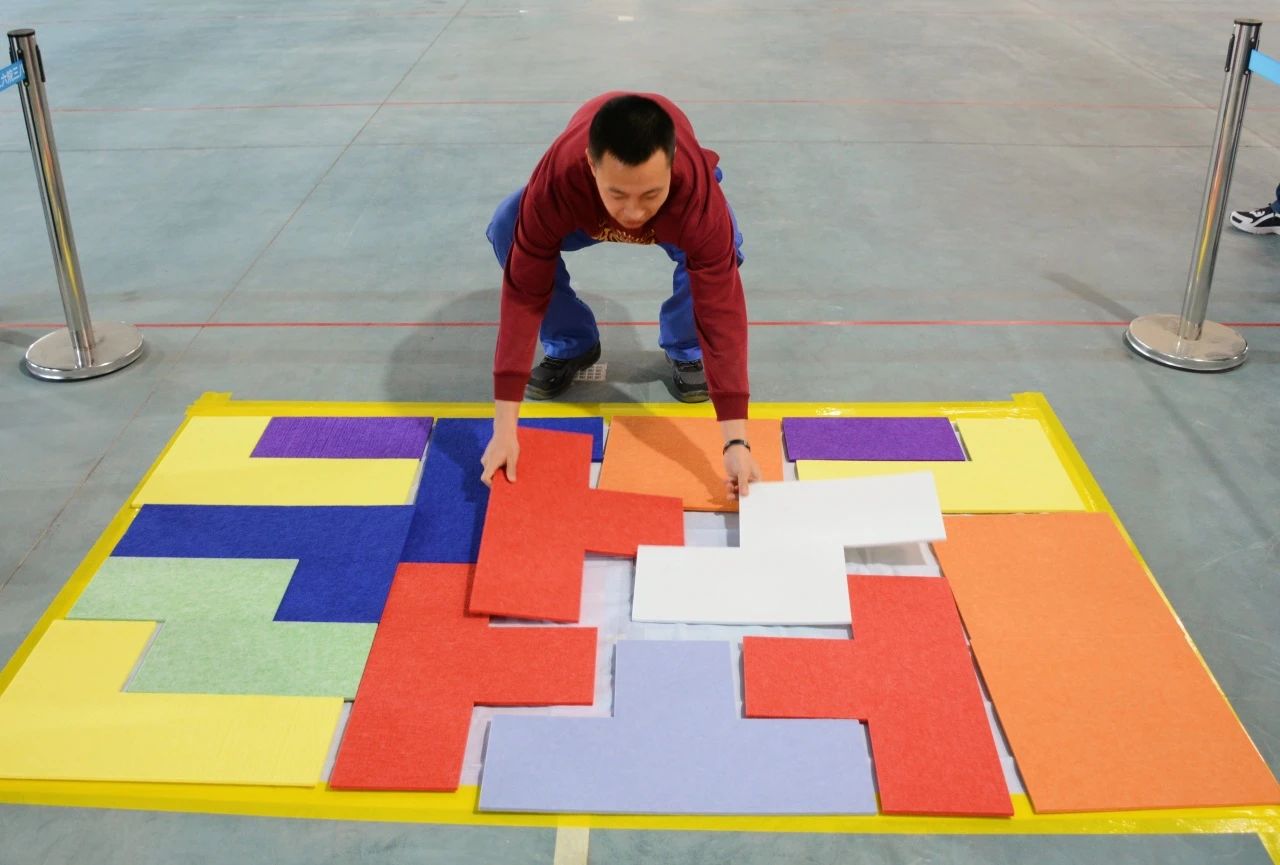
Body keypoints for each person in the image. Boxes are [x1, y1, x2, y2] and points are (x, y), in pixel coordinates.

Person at [479, 92, 761, 499]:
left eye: (649, 195)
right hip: (581, 206)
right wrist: (504, 430)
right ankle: (572, 343)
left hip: (677, 213)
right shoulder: (557, 184)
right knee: (508, 227)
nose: (633, 215)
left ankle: (685, 349)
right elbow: (522, 298)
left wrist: (736, 441)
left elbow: (722, 312)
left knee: (724, 247)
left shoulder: (695, 201)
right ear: (591, 165)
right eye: (618, 195)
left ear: (671, 166)